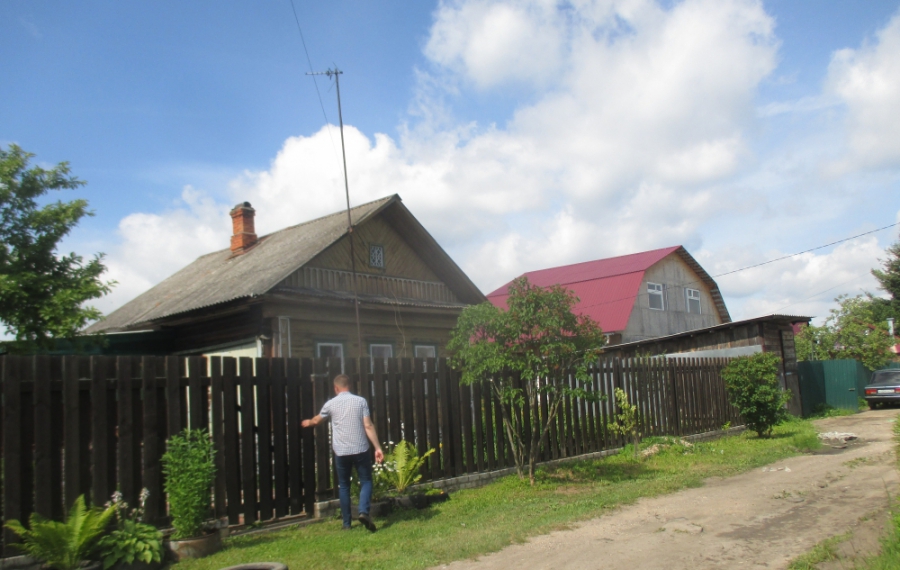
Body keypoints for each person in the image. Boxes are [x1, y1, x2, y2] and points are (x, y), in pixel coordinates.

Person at [302, 373, 384, 532]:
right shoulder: (360, 401)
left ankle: (346, 523)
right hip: (360, 448)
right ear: (350, 386)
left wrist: (308, 422)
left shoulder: (330, 404)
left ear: (336, 388)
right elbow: (368, 426)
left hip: (341, 451)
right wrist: (377, 447)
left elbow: (317, 420)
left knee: (344, 486)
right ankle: (363, 511)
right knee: (366, 481)